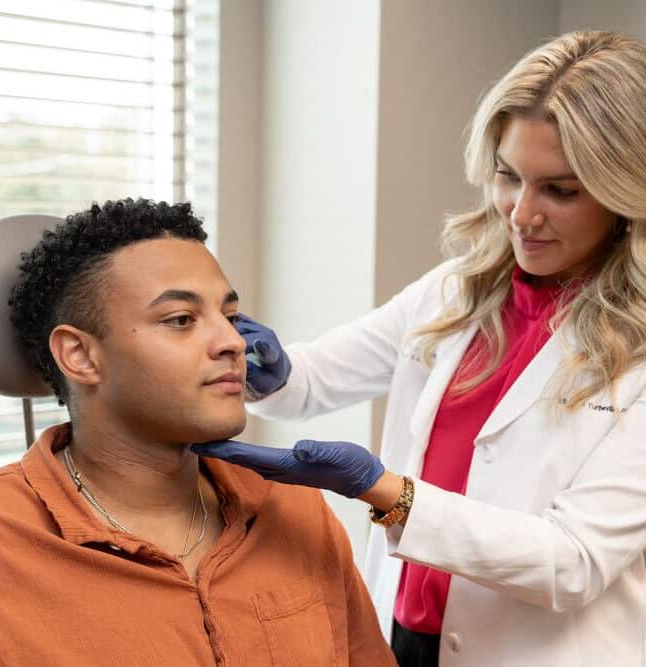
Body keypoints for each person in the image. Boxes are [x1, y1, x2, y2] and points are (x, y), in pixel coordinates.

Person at [198, 31, 646, 666]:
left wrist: (387, 491)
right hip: (405, 633)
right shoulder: (457, 290)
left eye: (560, 191)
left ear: (625, 194)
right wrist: (265, 364)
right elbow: (310, 382)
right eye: (507, 176)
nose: (520, 214)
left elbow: (571, 564)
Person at [0, 198, 396, 666]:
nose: (234, 342)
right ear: (79, 355)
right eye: (181, 320)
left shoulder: (294, 508)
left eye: (231, 317)